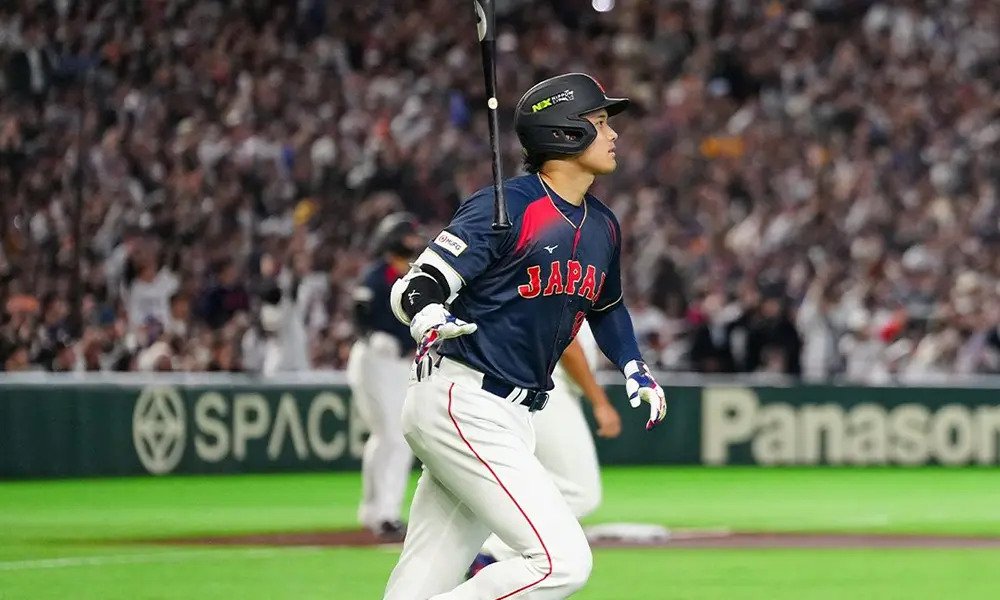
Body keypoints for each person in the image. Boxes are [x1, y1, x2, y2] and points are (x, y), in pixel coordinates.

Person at [383, 73, 667, 600]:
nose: (613, 134)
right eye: (599, 121)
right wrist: (427, 316)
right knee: (560, 563)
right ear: (564, 132)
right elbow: (415, 285)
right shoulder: (506, 205)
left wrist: (633, 363)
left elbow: (606, 306)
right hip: (464, 396)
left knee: (422, 583)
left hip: (512, 411)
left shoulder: (602, 225)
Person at [473, 320, 621, 574]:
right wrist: (599, 400)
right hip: (546, 386)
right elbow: (567, 343)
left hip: (519, 381)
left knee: (529, 483)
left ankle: (492, 555)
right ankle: (492, 554)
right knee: (579, 492)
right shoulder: (570, 278)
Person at [346, 213, 425, 542]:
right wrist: (369, 335)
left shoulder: (415, 275)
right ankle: (387, 514)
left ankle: (373, 510)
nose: (412, 243)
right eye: (406, 237)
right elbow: (359, 315)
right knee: (394, 436)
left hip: (400, 363)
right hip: (374, 359)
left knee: (385, 437)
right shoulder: (376, 276)